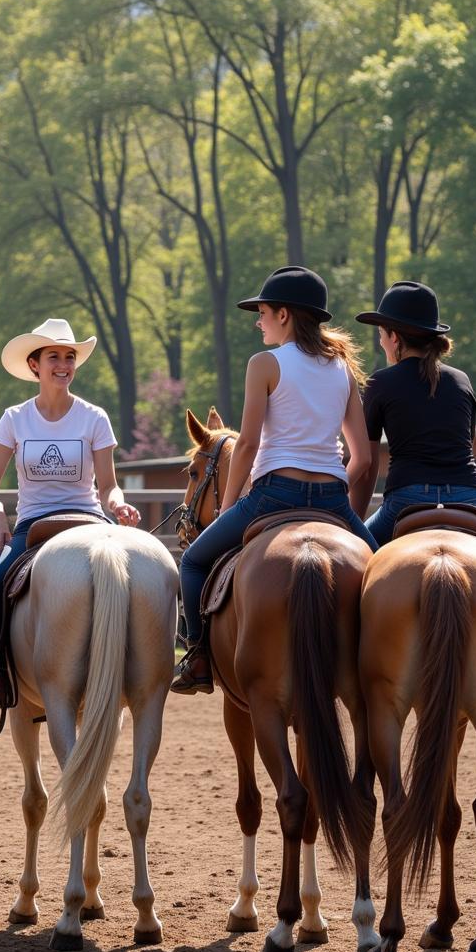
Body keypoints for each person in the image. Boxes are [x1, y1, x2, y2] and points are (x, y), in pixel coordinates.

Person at [351, 280, 476, 721]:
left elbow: (365, 466)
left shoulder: (379, 384)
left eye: (383, 333)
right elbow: (468, 445)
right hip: (470, 499)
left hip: (404, 503)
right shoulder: (462, 381)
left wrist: (352, 522)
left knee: (346, 578)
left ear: (397, 338)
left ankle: (343, 669)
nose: (381, 340)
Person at [172, 266, 378, 696]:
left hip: (273, 496)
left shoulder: (264, 363)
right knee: (383, 575)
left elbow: (246, 444)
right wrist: (336, 486)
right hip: (332, 501)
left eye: (262, 311)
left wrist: (228, 509)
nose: (257, 320)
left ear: (283, 315)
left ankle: (197, 657)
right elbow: (362, 454)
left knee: (192, 563)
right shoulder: (341, 366)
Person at [0, 318, 141, 715]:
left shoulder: (94, 417)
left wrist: (118, 504)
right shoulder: (14, 418)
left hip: (89, 519)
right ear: (34, 365)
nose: (63, 365)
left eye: (69, 357)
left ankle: (140, 667)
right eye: (54, 357)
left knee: (137, 576)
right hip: (32, 525)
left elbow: (108, 486)